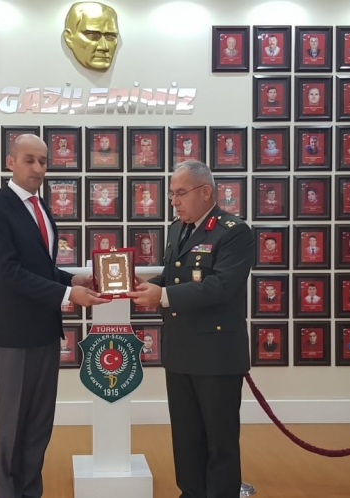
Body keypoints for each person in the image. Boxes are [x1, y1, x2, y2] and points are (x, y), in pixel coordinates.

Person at [0, 134, 108, 498]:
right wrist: (67, 294)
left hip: (46, 333)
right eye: (29, 160)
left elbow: (40, 267)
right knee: (12, 428)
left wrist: (71, 279)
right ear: (10, 163)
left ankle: (30, 492)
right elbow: (8, 272)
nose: (38, 168)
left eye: (43, 161)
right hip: (15, 336)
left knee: (38, 426)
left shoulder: (41, 207)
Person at [127, 159, 255, 498]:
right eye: (172, 194)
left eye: (180, 193)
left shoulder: (233, 232)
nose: (174, 201)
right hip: (180, 349)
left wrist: (162, 295)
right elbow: (174, 277)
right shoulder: (177, 229)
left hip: (216, 355)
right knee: (186, 436)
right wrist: (144, 286)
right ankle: (191, 492)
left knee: (219, 439)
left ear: (206, 192)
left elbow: (221, 286)